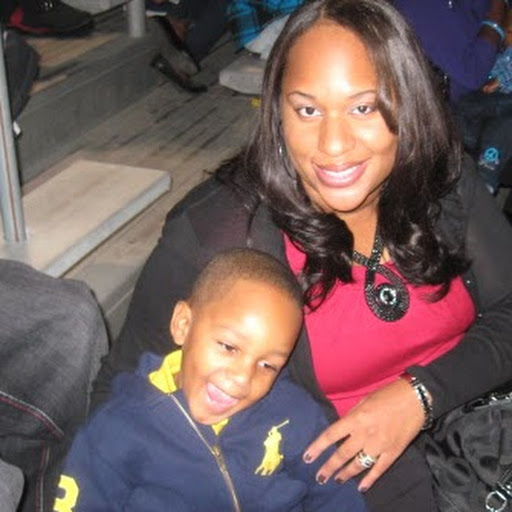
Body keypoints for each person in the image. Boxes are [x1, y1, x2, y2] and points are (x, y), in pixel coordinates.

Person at [91, 1, 512, 511]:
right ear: (277, 113)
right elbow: (118, 397)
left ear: (408, 102)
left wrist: (419, 396)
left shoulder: (442, 181)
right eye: (307, 110)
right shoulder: (220, 232)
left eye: (363, 107)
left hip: (480, 434)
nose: (333, 145)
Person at [55, 249, 367, 512]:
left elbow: (334, 491)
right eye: (229, 347)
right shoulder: (117, 428)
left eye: (267, 365)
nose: (242, 378)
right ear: (183, 324)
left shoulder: (293, 412)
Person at [392, 0, 512, 192]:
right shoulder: (418, 6)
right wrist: (497, 17)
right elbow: (472, 72)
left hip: (484, 103)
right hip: (452, 119)